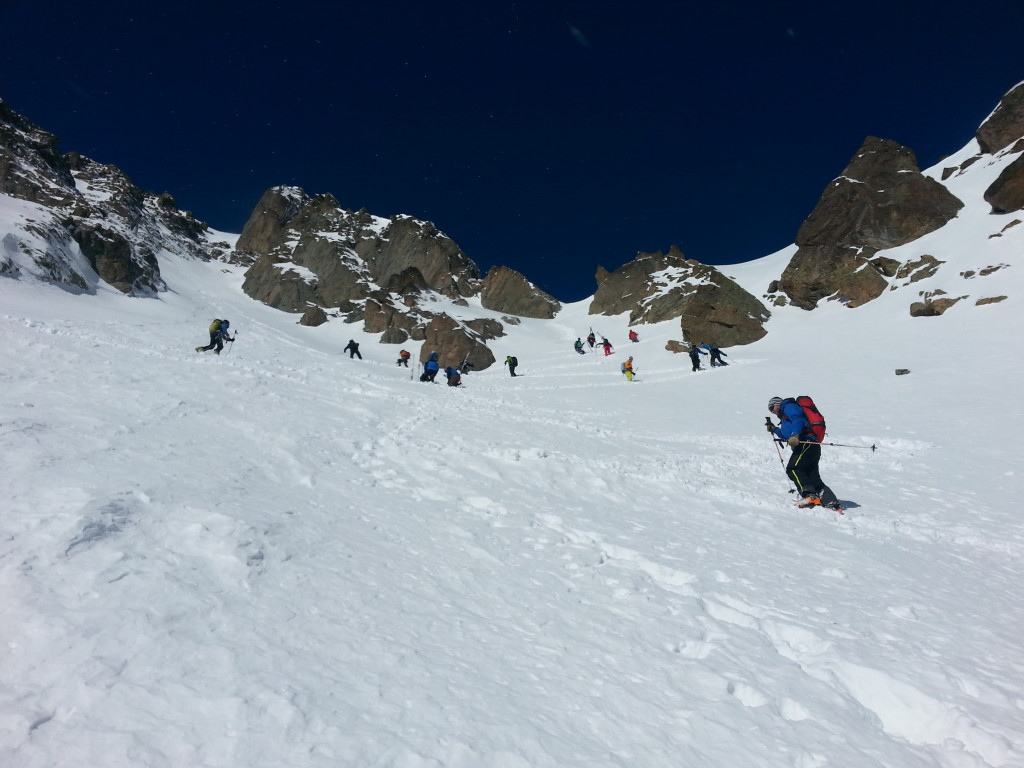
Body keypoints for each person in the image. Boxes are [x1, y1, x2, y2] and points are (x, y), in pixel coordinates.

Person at [767, 396, 841, 510]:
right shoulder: (784, 416)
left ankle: (809, 495)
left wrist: (796, 434)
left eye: (772, 408)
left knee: (793, 468)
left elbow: (798, 420)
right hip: (810, 445)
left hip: (806, 443)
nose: (772, 411)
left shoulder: (788, 407)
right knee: (811, 475)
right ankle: (830, 500)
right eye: (770, 410)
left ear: (778, 404)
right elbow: (786, 435)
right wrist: (774, 429)